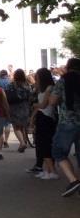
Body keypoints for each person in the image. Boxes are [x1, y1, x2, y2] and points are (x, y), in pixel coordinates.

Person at [50, 58, 80, 196]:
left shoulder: (63, 80)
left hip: (68, 121)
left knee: (58, 151)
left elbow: (53, 101)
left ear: (68, 67)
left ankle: (74, 181)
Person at [30, 68, 58, 179]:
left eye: (37, 76)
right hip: (42, 116)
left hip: (47, 117)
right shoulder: (42, 88)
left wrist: (35, 105)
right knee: (41, 144)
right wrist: (32, 117)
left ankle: (52, 171)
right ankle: (48, 170)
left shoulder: (50, 88)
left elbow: (43, 105)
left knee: (45, 144)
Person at [6, 69, 34, 152]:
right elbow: (31, 96)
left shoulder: (11, 85)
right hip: (25, 106)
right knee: (22, 125)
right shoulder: (27, 85)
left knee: (16, 126)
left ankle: (22, 142)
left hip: (14, 107)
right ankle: (24, 140)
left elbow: (7, 96)